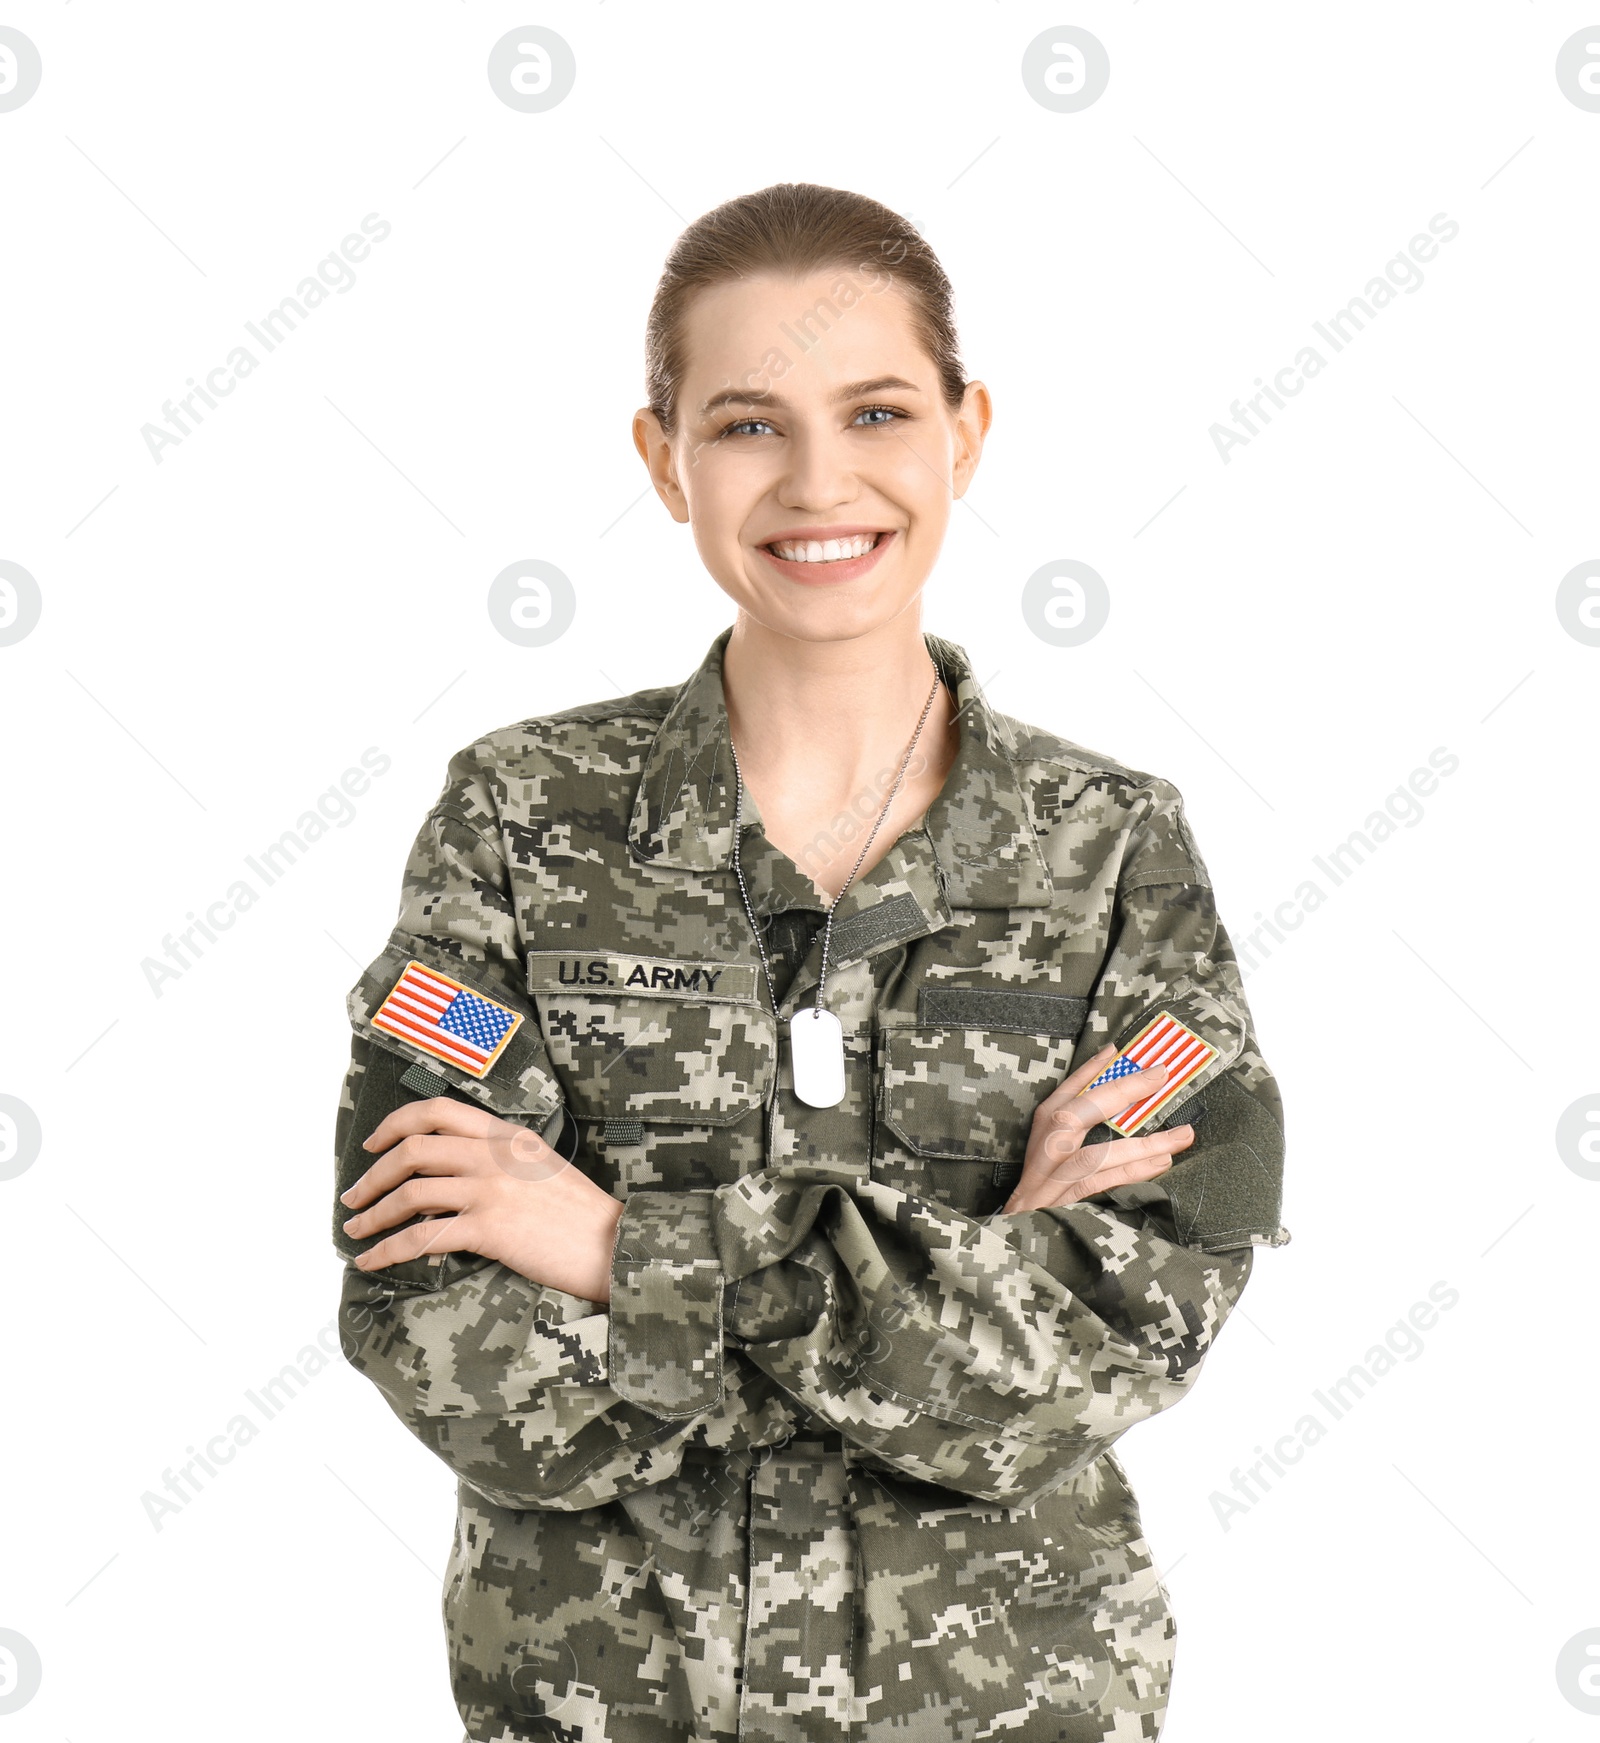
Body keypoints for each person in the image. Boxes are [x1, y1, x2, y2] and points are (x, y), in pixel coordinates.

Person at [331, 181, 1289, 1743]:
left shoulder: (1114, 849)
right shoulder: (515, 817)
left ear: (966, 435)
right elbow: (446, 1347)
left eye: (878, 413)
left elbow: (1111, 1341)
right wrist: (952, 1276)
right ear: (665, 460)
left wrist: (616, 1251)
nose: (819, 480)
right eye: (748, 425)